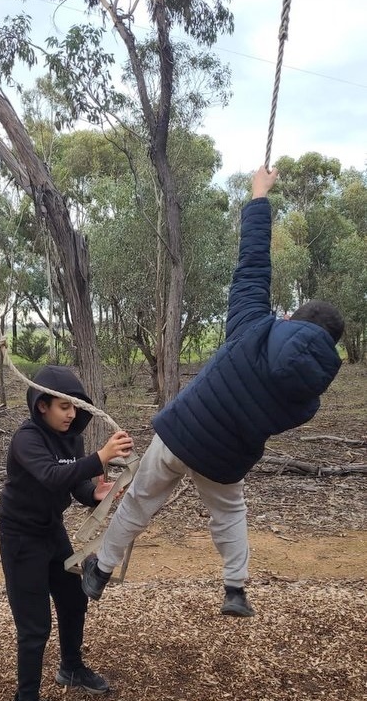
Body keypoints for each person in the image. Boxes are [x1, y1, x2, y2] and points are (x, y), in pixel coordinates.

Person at [82, 165, 344, 617]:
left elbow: (253, 261)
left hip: (182, 431)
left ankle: (100, 570)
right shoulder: (309, 400)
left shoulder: (252, 325)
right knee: (230, 513)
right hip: (226, 459)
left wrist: (260, 196)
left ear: (290, 319)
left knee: (142, 498)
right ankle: (235, 591)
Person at [0, 365, 133, 701]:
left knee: (74, 599)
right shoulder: (27, 439)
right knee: (34, 624)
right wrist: (102, 457)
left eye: (76, 407)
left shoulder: (70, 437)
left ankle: (70, 667)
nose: (72, 414)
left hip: (51, 530)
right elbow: (52, 475)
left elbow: (73, 485)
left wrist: (95, 494)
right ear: (42, 405)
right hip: (20, 536)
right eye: (64, 406)